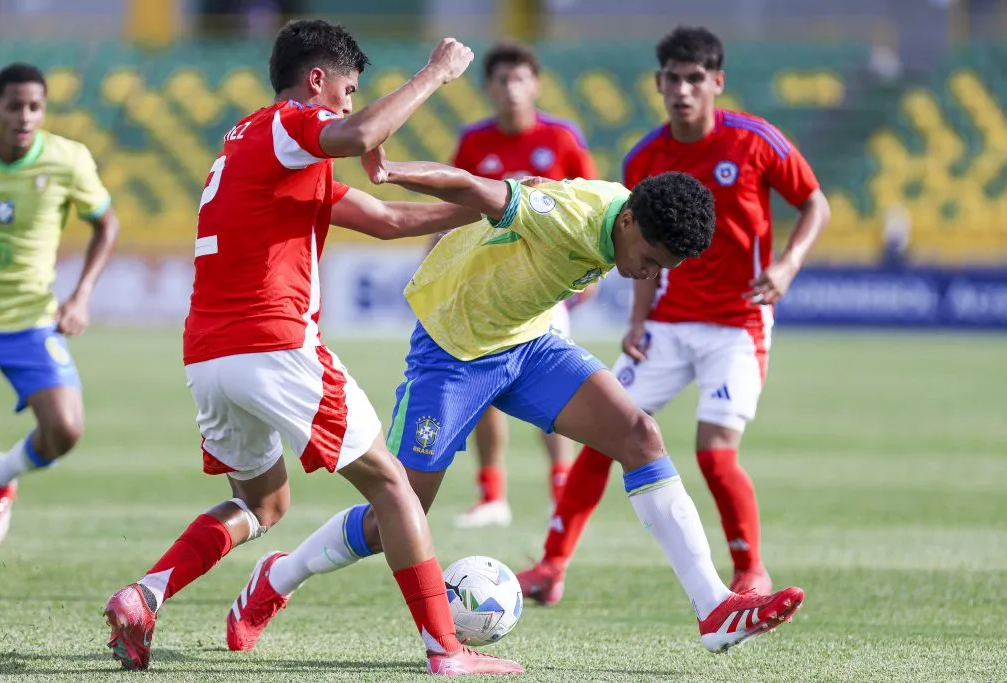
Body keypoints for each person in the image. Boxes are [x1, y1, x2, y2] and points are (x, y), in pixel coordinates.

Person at [228, 147, 806, 655]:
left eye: (662, 268)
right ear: (628, 220)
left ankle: (713, 608)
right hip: (452, 352)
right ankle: (277, 578)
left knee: (640, 436)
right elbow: (472, 186)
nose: (647, 273)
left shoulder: (633, 218)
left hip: (526, 344)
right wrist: (390, 171)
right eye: (650, 260)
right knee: (394, 518)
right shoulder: (569, 216)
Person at [102, 20, 522, 676]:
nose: (351, 105)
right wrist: (435, 73)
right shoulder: (289, 124)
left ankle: (144, 594)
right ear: (317, 79)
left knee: (263, 503)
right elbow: (358, 136)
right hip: (272, 341)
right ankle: (447, 650)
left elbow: (388, 219)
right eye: (349, 91)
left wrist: (493, 204)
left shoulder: (255, 147)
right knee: (394, 485)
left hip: (209, 354)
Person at [516, 25, 831, 605]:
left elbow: (815, 202)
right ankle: (552, 566)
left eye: (694, 79)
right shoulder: (646, 156)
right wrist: (638, 320)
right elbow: (641, 250)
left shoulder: (756, 141)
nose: (682, 90)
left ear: (717, 82)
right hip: (665, 324)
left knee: (715, 451)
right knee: (604, 436)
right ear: (659, 83)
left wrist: (787, 266)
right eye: (672, 79)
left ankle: (750, 570)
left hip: (738, 325)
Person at [448, 41, 600, 528]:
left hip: (545, 288)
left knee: (555, 389)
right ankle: (493, 497)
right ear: (489, 88)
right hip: (488, 288)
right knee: (485, 389)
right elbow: (454, 207)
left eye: (520, 78)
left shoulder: (561, 138)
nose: (511, 88)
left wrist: (594, 269)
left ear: (536, 85)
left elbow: (593, 205)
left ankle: (561, 492)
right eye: (502, 80)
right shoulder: (474, 141)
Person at [0, 63, 120, 548]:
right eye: (14, 106)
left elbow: (106, 223)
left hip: (30, 320)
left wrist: (81, 296)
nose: (24, 116)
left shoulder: (67, 159)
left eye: (35, 107)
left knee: (65, 429)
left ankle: (0, 474)